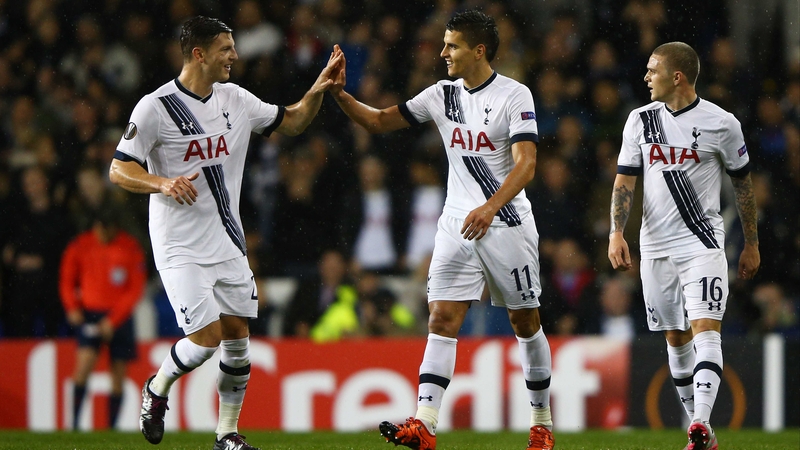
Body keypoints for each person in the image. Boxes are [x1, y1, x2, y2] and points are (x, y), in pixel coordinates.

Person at [108, 16, 342, 450]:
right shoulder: (155, 108)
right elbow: (118, 169)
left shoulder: (235, 99)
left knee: (238, 341)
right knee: (205, 340)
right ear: (199, 54)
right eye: (226, 49)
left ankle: (227, 435)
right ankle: (157, 388)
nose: (235, 56)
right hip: (179, 246)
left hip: (228, 242)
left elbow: (290, 122)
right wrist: (160, 182)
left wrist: (318, 90)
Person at [328, 10, 554, 450]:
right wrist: (339, 94)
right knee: (442, 318)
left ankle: (541, 424)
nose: (442, 52)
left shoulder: (514, 95)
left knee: (524, 321)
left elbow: (527, 164)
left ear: (479, 50)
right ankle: (425, 424)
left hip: (506, 223)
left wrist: (490, 206)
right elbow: (377, 121)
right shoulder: (440, 95)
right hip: (456, 223)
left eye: (451, 45)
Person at [607, 42, 760, 450]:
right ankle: (703, 434)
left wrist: (751, 243)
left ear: (677, 76)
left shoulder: (722, 123)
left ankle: (699, 423)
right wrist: (616, 232)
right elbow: (625, 180)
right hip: (654, 249)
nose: (645, 77)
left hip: (702, 245)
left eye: (652, 70)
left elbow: (743, 186)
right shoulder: (640, 121)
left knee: (706, 328)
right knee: (675, 338)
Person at [59, 209, 147, 430]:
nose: (102, 234)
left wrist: (113, 320)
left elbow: (135, 288)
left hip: (119, 316)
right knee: (83, 367)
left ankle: (111, 429)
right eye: (99, 228)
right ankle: (75, 425)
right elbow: (67, 280)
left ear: (114, 228)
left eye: (106, 229)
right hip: (90, 314)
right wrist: (72, 308)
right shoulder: (80, 245)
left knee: (118, 376)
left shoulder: (130, 247)